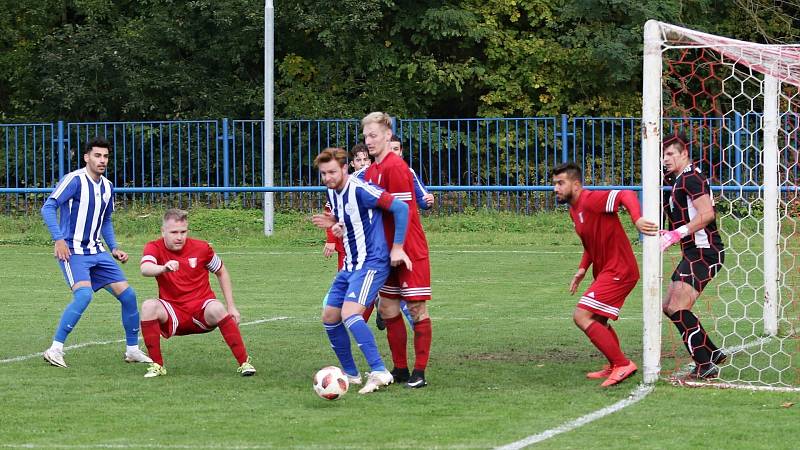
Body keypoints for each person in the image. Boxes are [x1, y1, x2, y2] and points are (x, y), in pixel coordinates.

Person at [40, 137, 151, 368]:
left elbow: (106, 219)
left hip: (97, 251)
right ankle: (55, 349)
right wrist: (59, 240)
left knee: (129, 296)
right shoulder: (74, 180)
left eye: (106, 156)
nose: (102, 160)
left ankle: (132, 350)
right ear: (86, 157)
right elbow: (48, 207)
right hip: (73, 251)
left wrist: (114, 247)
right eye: (97, 155)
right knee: (84, 296)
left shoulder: (108, 186)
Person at [311, 147, 412, 394]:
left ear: (345, 168)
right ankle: (352, 375)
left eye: (332, 172)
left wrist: (397, 248)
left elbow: (400, 208)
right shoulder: (332, 193)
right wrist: (336, 226)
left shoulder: (360, 189)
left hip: (372, 263)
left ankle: (379, 370)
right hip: (349, 265)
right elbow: (352, 222)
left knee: (350, 313)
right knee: (330, 317)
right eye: (324, 174)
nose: (328, 178)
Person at [552, 162, 658, 387]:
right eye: (554, 184)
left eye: (561, 183)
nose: (556, 188)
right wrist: (582, 268)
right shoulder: (574, 210)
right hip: (606, 271)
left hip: (620, 269)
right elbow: (590, 242)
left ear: (577, 185)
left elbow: (625, 194)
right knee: (598, 319)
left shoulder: (591, 200)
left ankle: (622, 364)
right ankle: (614, 364)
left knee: (581, 316)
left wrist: (636, 219)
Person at [138, 209, 256, 378]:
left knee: (217, 307)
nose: (179, 237)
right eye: (174, 232)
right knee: (148, 306)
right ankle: (157, 365)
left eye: (183, 232)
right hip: (174, 312)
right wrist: (163, 268)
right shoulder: (153, 247)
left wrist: (232, 307)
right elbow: (145, 268)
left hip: (201, 311)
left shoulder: (202, 248)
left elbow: (221, 271)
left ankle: (245, 363)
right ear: (163, 231)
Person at [362, 112, 433, 388]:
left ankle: (420, 372)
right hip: (385, 250)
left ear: (387, 136)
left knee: (416, 309)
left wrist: (399, 248)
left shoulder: (396, 167)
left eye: (374, 135)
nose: (369, 140)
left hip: (408, 249)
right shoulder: (372, 170)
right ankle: (400, 369)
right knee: (389, 308)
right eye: (366, 136)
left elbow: (402, 210)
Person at [660, 133, 727, 379]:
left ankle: (705, 365)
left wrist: (677, 233)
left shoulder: (691, 178)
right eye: (663, 154)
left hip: (705, 252)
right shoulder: (679, 179)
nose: (665, 159)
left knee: (677, 307)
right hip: (693, 252)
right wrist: (670, 232)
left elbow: (707, 214)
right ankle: (712, 352)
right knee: (668, 306)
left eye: (670, 154)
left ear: (684, 153)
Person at [389, 135, 435, 210]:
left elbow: (422, 199)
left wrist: (428, 201)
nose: (392, 153)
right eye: (389, 149)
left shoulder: (409, 173)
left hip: (405, 220)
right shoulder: (374, 173)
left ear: (400, 152)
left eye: (395, 149)